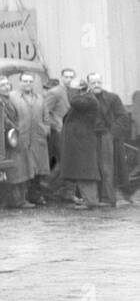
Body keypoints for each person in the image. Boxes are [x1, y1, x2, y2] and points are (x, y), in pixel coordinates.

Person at [86, 73, 129, 206]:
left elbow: (123, 117)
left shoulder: (112, 98)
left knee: (107, 168)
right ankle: (92, 198)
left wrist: (111, 134)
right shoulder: (84, 99)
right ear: (88, 84)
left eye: (99, 82)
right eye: (93, 83)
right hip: (89, 138)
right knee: (91, 167)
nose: (96, 85)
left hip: (107, 137)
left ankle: (107, 198)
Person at [60, 79, 101, 209]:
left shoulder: (88, 100)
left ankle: (90, 201)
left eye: (75, 89)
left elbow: (74, 101)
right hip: (80, 142)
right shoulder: (87, 98)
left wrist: (72, 90)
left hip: (83, 143)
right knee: (82, 172)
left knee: (85, 173)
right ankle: (88, 200)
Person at [10, 73, 50, 205]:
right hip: (22, 138)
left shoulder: (40, 98)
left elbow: (46, 116)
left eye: (30, 81)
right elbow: (11, 117)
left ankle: (36, 196)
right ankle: (22, 198)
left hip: (38, 138)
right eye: (25, 81)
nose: (27, 84)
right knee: (23, 168)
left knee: (38, 168)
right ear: (20, 82)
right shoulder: (13, 97)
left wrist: (45, 129)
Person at [0, 75, 34, 209]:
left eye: (7, 84)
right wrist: (15, 129)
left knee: (20, 170)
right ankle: (17, 201)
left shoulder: (7, 99)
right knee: (15, 171)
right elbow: (4, 120)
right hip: (9, 140)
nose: (6, 87)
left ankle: (19, 199)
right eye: (2, 85)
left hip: (16, 138)